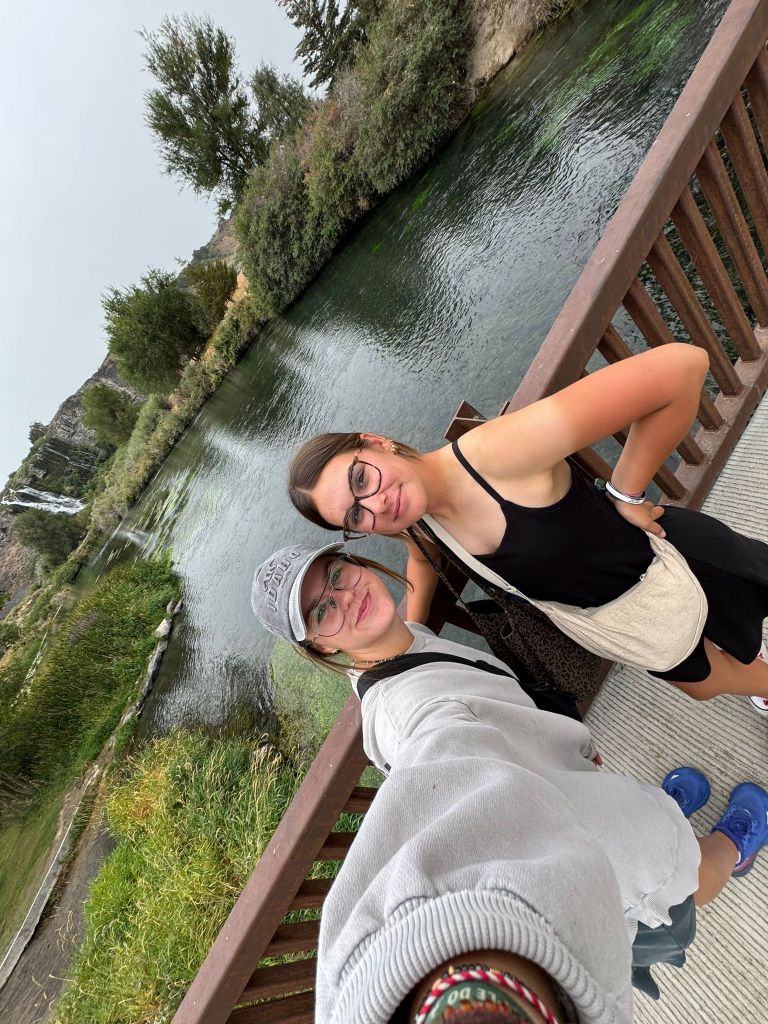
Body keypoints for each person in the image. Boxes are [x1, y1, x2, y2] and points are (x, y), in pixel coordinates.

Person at [250, 542, 768, 1023]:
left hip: (568, 784)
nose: (344, 596)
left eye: (336, 574)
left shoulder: (399, 646)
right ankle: (733, 846)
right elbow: (439, 760)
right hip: (598, 854)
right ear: (320, 648)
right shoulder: (407, 714)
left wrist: (414, 532)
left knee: (652, 820)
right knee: (683, 882)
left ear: (355, 563)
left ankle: (669, 813)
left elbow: (417, 586)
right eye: (322, 611)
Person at [287, 344, 768, 714]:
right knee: (704, 682)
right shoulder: (418, 519)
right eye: (354, 516)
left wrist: (626, 492)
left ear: (376, 443)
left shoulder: (496, 452)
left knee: (736, 632)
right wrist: (410, 632)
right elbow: (421, 557)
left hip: (679, 563)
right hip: (629, 622)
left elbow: (681, 369)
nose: (374, 503)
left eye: (360, 479)